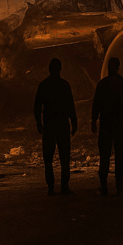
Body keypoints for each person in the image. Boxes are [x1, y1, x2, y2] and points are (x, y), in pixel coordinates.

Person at [33, 58, 78, 195]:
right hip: (62, 125)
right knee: (64, 158)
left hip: (49, 125)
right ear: (60, 69)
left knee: (48, 158)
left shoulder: (44, 85)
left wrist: (39, 123)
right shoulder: (64, 85)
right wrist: (74, 123)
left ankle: (51, 187)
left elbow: (37, 107)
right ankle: (64, 186)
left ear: (49, 69)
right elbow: (70, 106)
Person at [91, 57, 123, 195]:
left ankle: (104, 186)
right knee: (119, 157)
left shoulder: (102, 84)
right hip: (119, 125)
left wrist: (93, 121)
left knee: (104, 157)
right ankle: (119, 186)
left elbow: (96, 105)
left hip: (106, 125)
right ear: (118, 67)